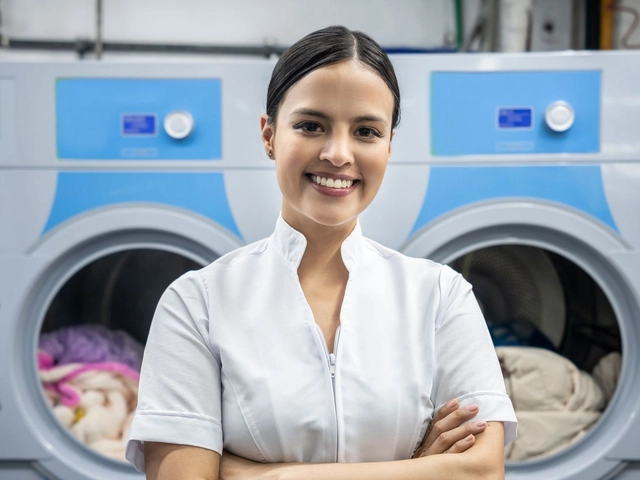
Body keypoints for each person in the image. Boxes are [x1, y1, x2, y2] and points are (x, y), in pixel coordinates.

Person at [125, 25, 517, 480]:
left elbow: (482, 472)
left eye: (366, 131)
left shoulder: (440, 295)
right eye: (311, 126)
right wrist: (419, 469)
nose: (337, 153)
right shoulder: (197, 303)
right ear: (269, 135)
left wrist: (260, 474)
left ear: (389, 146)